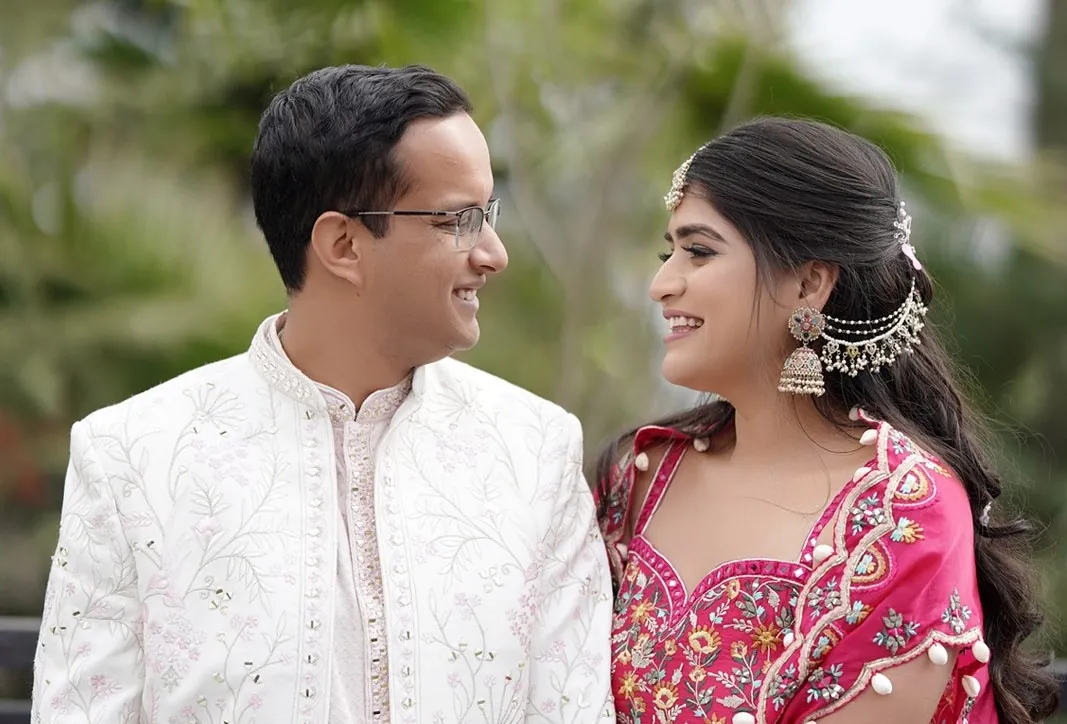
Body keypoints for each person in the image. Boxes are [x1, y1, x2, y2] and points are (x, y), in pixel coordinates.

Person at [31, 64, 615, 724]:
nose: (494, 253)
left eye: (489, 213)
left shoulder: (535, 452)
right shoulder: (131, 457)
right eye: (460, 218)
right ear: (344, 244)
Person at [595, 117, 1058, 724]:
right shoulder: (644, 474)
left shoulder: (899, 512)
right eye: (668, 252)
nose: (661, 284)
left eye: (699, 251)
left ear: (809, 284)